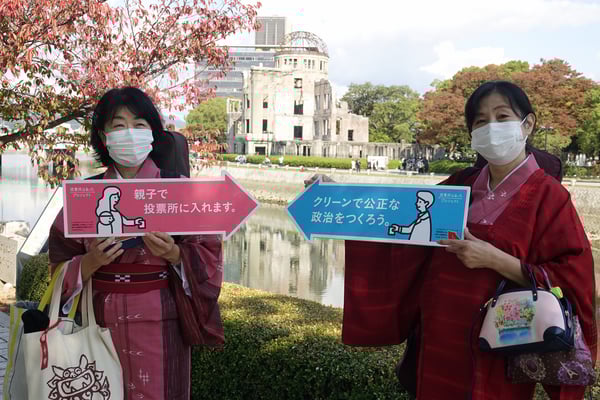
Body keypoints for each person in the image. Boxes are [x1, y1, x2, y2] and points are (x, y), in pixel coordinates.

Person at [308, 81, 597, 399]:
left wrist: (495, 260)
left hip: (500, 342)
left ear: (527, 124)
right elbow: (397, 220)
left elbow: (575, 278)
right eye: (481, 121)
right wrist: (337, 196)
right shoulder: (461, 185)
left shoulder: (549, 197)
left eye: (502, 117)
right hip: (439, 333)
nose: (492, 127)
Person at [48, 87, 224, 400]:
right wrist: (89, 263)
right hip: (97, 324)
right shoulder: (83, 197)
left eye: (139, 125)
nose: (129, 133)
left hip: (162, 325)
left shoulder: (179, 190)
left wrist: (174, 253)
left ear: (153, 133)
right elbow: (57, 268)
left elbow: (209, 256)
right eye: (118, 125)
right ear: (103, 137)